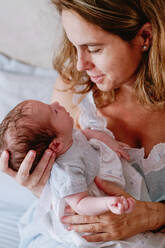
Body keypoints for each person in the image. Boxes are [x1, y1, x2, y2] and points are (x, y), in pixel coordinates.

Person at [0, 0, 165, 246]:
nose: (80, 64)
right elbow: (65, 191)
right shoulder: (72, 89)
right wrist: (41, 188)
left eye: (95, 49)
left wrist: (153, 216)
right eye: (75, 46)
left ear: (144, 36)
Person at [0, 99, 136, 247]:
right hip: (91, 210)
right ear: (56, 144)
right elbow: (80, 204)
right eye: (54, 111)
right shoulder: (66, 172)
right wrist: (108, 203)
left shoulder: (67, 137)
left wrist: (112, 145)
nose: (57, 103)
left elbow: (88, 134)